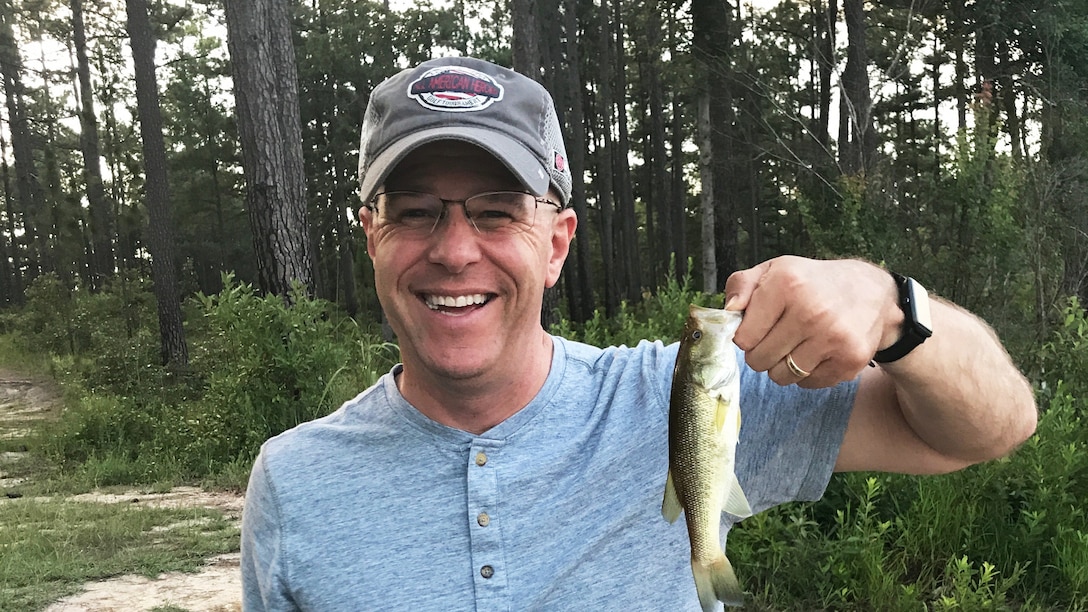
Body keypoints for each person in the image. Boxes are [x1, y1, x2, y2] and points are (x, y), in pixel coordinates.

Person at [241, 56, 1037, 611]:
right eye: (415, 211)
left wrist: (893, 308)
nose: (454, 250)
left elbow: (986, 431)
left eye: (495, 211)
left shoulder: (675, 396)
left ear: (556, 244)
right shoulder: (295, 480)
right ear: (371, 236)